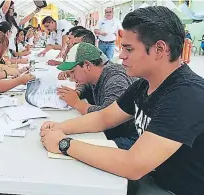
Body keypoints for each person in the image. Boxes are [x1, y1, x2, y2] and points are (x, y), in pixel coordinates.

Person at [40, 6, 204, 195]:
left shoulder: (186, 95)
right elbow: (104, 118)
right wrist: (59, 127)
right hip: (152, 176)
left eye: (128, 49)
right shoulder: (144, 84)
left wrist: (64, 144)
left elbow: (133, 165)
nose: (121, 55)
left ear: (160, 49)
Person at [56, 42, 138, 150]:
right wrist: (77, 93)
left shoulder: (115, 79)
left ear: (87, 65)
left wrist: (78, 104)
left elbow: (109, 115)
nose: (71, 77)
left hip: (130, 140)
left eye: (73, 72)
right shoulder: (97, 74)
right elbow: (88, 86)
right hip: (115, 133)